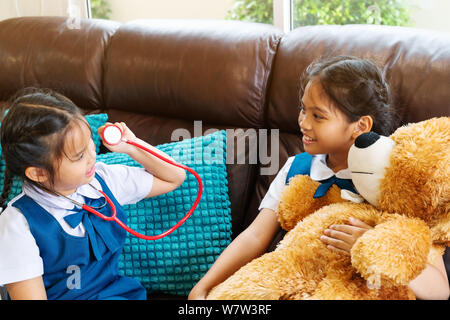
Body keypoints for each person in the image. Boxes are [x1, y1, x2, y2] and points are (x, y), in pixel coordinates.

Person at [189, 55, 450, 300]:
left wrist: (374, 245)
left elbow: (440, 289)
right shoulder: (296, 167)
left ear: (360, 126)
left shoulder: (392, 182)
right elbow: (255, 237)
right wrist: (203, 286)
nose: (303, 122)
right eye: (303, 110)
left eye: (318, 116)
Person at [0, 88, 186, 300]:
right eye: (79, 156)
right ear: (39, 173)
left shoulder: (101, 181)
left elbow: (174, 177)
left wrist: (132, 146)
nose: (92, 155)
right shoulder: (17, 225)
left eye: (89, 141)